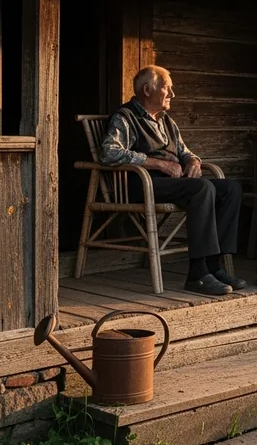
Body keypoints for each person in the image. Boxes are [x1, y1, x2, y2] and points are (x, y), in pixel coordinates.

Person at [100, 65, 245, 296]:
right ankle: (197, 274)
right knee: (202, 189)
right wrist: (156, 163)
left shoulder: (166, 121)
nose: (172, 95)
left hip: (173, 184)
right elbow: (109, 153)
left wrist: (193, 161)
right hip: (143, 184)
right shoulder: (125, 117)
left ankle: (213, 266)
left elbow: (184, 151)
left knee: (230, 189)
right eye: (167, 88)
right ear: (148, 90)